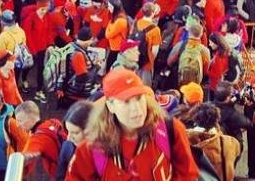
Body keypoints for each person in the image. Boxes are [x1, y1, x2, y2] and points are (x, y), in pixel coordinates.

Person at [66, 68, 198, 180]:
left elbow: (187, 174)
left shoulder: (171, 130)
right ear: (110, 106)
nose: (137, 109)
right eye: (126, 101)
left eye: (139, 98)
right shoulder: (91, 145)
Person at [187, 103, 241, 181]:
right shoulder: (232, 142)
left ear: (194, 119)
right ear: (217, 120)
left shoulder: (185, 142)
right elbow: (237, 156)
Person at [56, 101, 94, 180]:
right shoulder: (66, 146)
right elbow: (60, 177)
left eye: (75, 133)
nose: (69, 138)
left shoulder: (106, 155)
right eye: (67, 131)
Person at [21, 0, 51, 93]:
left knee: (41, 67)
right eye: (42, 9)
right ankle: (24, 79)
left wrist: (50, 44)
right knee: (29, 65)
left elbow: (48, 32)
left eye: (46, 9)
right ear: (37, 8)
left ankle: (39, 89)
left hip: (42, 47)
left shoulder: (47, 17)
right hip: (32, 48)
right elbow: (27, 35)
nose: (44, 12)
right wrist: (32, 50)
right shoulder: (30, 18)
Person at [213, 81, 251, 148]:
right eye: (231, 93)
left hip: (216, 143)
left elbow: (235, 98)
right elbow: (248, 123)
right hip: (231, 145)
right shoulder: (232, 114)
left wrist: (235, 96)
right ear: (227, 98)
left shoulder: (209, 105)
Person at [131, 2, 162, 86]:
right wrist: (150, 60)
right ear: (152, 13)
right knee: (145, 88)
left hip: (134, 59)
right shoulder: (155, 29)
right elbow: (155, 51)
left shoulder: (136, 23)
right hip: (146, 63)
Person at [105, 0, 130, 71]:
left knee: (110, 69)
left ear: (114, 7)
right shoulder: (116, 16)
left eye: (110, 6)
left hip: (117, 49)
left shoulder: (120, 21)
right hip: (114, 48)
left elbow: (108, 35)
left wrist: (109, 25)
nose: (108, 8)